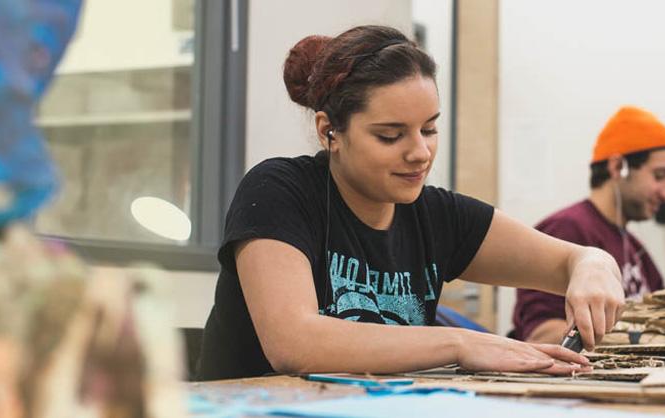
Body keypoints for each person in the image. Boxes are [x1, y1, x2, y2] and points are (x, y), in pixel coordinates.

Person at [195, 25, 625, 381]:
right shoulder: (279, 191)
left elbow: (576, 259)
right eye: (390, 135)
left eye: (430, 130)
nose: (419, 153)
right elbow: (296, 344)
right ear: (331, 131)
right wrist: (462, 343)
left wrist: (594, 266)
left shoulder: (437, 215)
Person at [511, 106, 665, 344]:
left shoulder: (635, 247)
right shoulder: (565, 229)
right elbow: (541, 335)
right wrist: (641, 342)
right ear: (618, 167)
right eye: (660, 176)